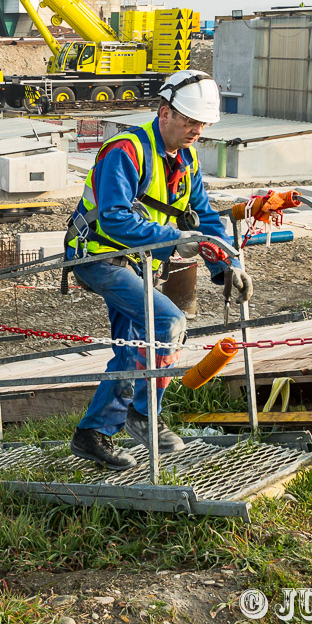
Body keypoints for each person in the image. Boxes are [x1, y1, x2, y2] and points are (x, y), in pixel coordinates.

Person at [65, 69, 253, 470]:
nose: (196, 130)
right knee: (167, 322)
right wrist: (172, 239)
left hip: (136, 262)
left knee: (133, 348)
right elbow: (114, 219)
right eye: (189, 121)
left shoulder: (185, 159)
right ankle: (143, 415)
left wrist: (228, 267)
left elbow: (203, 217)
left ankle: (91, 434)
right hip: (96, 257)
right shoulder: (125, 151)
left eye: (202, 123)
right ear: (164, 112)